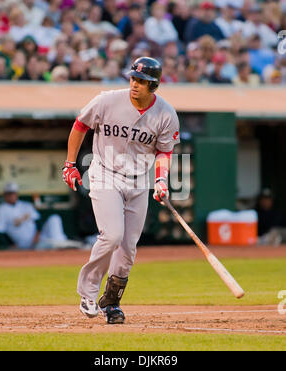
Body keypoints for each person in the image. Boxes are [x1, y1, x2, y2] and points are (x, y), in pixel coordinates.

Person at [62, 56, 180, 324]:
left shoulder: (166, 114)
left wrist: (161, 180)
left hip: (139, 178)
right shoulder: (107, 100)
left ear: (154, 86)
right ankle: (88, 293)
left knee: (128, 250)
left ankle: (111, 303)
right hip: (104, 173)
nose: (135, 84)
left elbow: (164, 152)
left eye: (142, 81)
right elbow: (80, 125)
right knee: (112, 234)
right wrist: (70, 164)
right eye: (134, 78)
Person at [0, 182, 80, 250]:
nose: (11, 196)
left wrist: (37, 235)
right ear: (5, 195)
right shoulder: (1, 210)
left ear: (16, 194)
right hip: (26, 244)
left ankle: (62, 243)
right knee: (51, 244)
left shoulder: (26, 205)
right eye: (9, 193)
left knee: (54, 218)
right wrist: (9, 246)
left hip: (38, 236)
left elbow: (38, 221)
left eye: (13, 193)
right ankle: (66, 245)